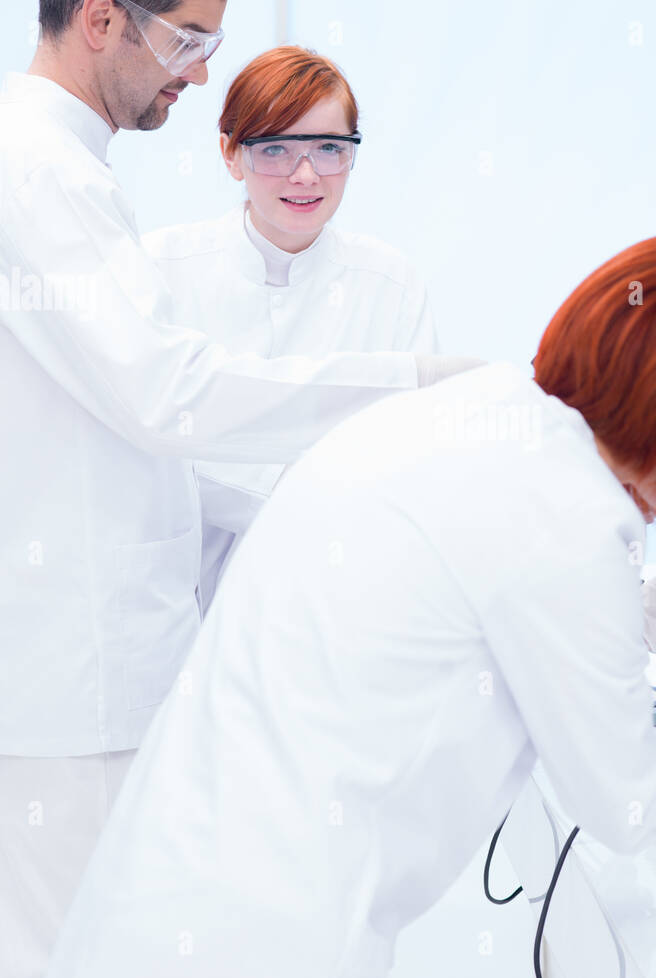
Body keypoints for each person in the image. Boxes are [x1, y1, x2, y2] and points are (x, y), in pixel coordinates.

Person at [26, 234, 656, 978]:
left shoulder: (478, 417)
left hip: (155, 915)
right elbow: (630, 807)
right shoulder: (563, 515)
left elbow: (494, 653)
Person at [0, 0, 465, 978]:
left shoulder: (66, 167)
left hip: (122, 663)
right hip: (77, 676)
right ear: (102, 18)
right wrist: (404, 379)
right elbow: (168, 392)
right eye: (188, 40)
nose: (199, 71)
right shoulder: (43, 176)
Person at [142, 46, 437, 611]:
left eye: (329, 148)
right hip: (184, 608)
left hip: (343, 604)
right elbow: (155, 455)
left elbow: (411, 462)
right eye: (275, 147)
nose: (306, 175)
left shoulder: (390, 283)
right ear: (231, 153)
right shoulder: (160, 268)